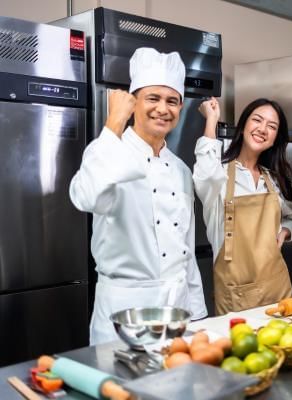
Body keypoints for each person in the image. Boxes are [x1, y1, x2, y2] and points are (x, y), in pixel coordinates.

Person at [70, 47, 207, 344]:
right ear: (134, 103)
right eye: (153, 98)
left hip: (178, 313)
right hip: (124, 313)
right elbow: (85, 196)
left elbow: (186, 247)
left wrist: (197, 314)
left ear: (180, 109)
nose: (163, 108)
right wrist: (114, 122)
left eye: (172, 101)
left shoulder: (181, 170)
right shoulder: (109, 151)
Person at [194, 97, 292, 315]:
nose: (263, 129)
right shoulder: (218, 175)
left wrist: (287, 231)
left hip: (278, 291)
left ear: (275, 139)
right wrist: (212, 120)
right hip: (236, 297)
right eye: (257, 120)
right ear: (243, 126)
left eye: (272, 126)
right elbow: (204, 173)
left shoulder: (274, 179)